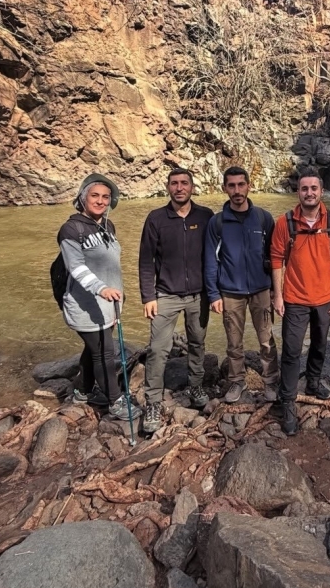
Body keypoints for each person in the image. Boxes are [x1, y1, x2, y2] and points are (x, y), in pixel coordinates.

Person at [270, 167, 330, 436]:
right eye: (304, 188)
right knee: (291, 351)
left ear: (321, 191)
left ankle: (313, 381)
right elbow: (277, 258)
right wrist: (278, 295)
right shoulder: (285, 222)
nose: (309, 193)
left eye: (314, 188)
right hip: (294, 298)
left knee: (319, 343)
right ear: (298, 192)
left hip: (326, 297)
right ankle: (288, 401)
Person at [59, 173, 139, 421]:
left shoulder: (107, 226)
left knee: (93, 348)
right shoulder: (71, 229)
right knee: (104, 352)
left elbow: (111, 267)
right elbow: (76, 267)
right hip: (85, 305)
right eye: (95, 195)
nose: (101, 201)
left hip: (108, 305)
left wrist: (117, 301)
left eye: (106, 197)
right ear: (83, 198)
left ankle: (82, 391)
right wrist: (101, 288)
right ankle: (115, 401)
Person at [139, 168, 214, 432]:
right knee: (158, 349)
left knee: (197, 342)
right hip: (166, 295)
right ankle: (152, 402)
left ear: (192, 187)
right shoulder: (156, 218)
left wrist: (215, 292)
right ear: (168, 187)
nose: (179, 187)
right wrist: (148, 296)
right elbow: (146, 261)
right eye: (174, 183)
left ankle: (195, 386)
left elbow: (216, 255)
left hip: (199, 295)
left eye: (184, 183)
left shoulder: (206, 216)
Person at [204, 166, 279, 404]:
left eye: (241, 184)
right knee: (233, 342)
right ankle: (236, 381)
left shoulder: (264, 218)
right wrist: (214, 294)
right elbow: (210, 261)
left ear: (249, 185)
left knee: (267, 339)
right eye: (232, 185)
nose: (237, 190)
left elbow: (275, 257)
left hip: (261, 290)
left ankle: (270, 381)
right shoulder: (217, 223)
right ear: (225, 188)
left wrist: (278, 292)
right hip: (230, 292)